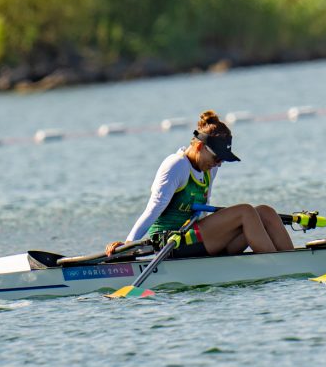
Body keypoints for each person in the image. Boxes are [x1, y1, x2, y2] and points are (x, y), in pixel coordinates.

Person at [106, 110, 294, 258]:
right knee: (245, 211)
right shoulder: (176, 166)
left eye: (223, 159)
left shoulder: (210, 167)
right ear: (199, 146)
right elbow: (153, 209)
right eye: (217, 157)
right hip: (170, 243)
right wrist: (129, 245)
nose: (219, 163)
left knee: (264, 212)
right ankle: (278, 265)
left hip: (196, 239)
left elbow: (203, 211)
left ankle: (294, 261)